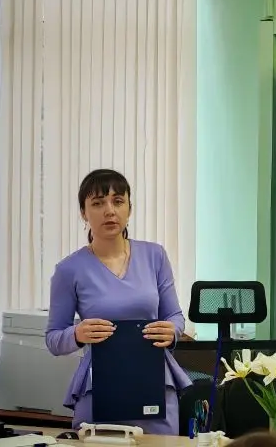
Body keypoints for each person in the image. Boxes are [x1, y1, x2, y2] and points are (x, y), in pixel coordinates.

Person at [45, 169, 192, 435]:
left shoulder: (155, 255)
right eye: (98, 203)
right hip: (100, 385)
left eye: (118, 201)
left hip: (154, 381)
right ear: (83, 213)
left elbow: (176, 316)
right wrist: (77, 334)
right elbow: (53, 339)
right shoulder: (68, 269)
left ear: (129, 208)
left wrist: (172, 330)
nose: (109, 211)